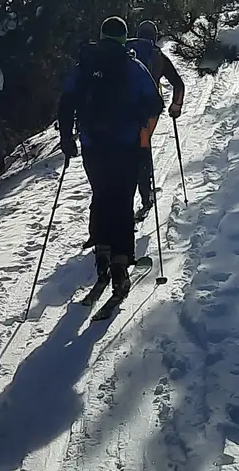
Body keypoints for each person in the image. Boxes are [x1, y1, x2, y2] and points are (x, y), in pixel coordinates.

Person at [58, 16, 163, 300]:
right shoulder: (134, 67)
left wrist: (66, 139)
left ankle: (102, 252)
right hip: (126, 146)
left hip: (93, 146)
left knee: (102, 195)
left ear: (101, 35)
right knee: (122, 201)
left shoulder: (84, 66)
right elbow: (155, 104)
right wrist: (139, 119)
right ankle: (120, 264)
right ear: (124, 38)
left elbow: (66, 103)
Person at [127, 20, 185, 214]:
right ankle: (146, 196)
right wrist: (176, 107)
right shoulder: (158, 56)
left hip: (121, 113)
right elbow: (178, 84)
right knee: (143, 149)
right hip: (149, 114)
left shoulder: (125, 51)